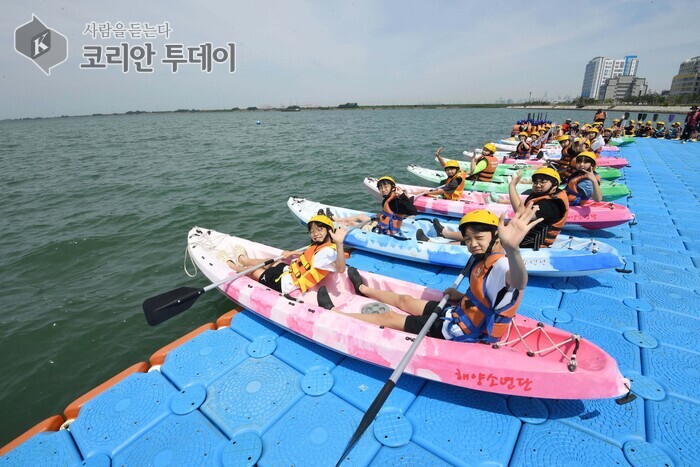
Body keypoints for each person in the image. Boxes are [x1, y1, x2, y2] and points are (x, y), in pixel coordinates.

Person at [324, 206, 542, 344]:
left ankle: (335, 313)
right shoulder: (485, 259)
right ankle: (363, 289)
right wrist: (462, 297)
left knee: (389, 317)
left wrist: (513, 249)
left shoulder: (503, 265)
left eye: (479, 238)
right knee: (405, 300)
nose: (472, 244)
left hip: (459, 330)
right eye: (467, 239)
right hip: (457, 312)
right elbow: (485, 293)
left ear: (496, 236)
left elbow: (519, 281)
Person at [225, 214, 347, 304]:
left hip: (285, 284)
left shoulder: (329, 252)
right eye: (312, 231)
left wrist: (339, 244)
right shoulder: (319, 246)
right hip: (289, 271)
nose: (315, 234)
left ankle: (234, 266)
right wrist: (294, 252)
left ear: (329, 231)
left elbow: (340, 268)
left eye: (319, 230)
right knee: (272, 261)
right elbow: (310, 258)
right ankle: (243, 260)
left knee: (253, 270)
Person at [332, 176, 417, 236]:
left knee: (351, 223)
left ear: (393, 188)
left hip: (386, 231)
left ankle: (335, 224)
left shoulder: (398, 201)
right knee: (361, 216)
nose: (383, 189)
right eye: (380, 188)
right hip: (382, 225)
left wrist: (402, 195)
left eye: (386, 186)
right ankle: (337, 219)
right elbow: (390, 214)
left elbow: (412, 211)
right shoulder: (386, 200)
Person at [509, 167, 569, 249]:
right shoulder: (540, 195)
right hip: (525, 237)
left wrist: (512, 186)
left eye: (543, 182)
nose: (537, 185)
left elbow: (523, 216)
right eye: (535, 182)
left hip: (534, 245)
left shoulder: (552, 204)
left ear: (554, 185)